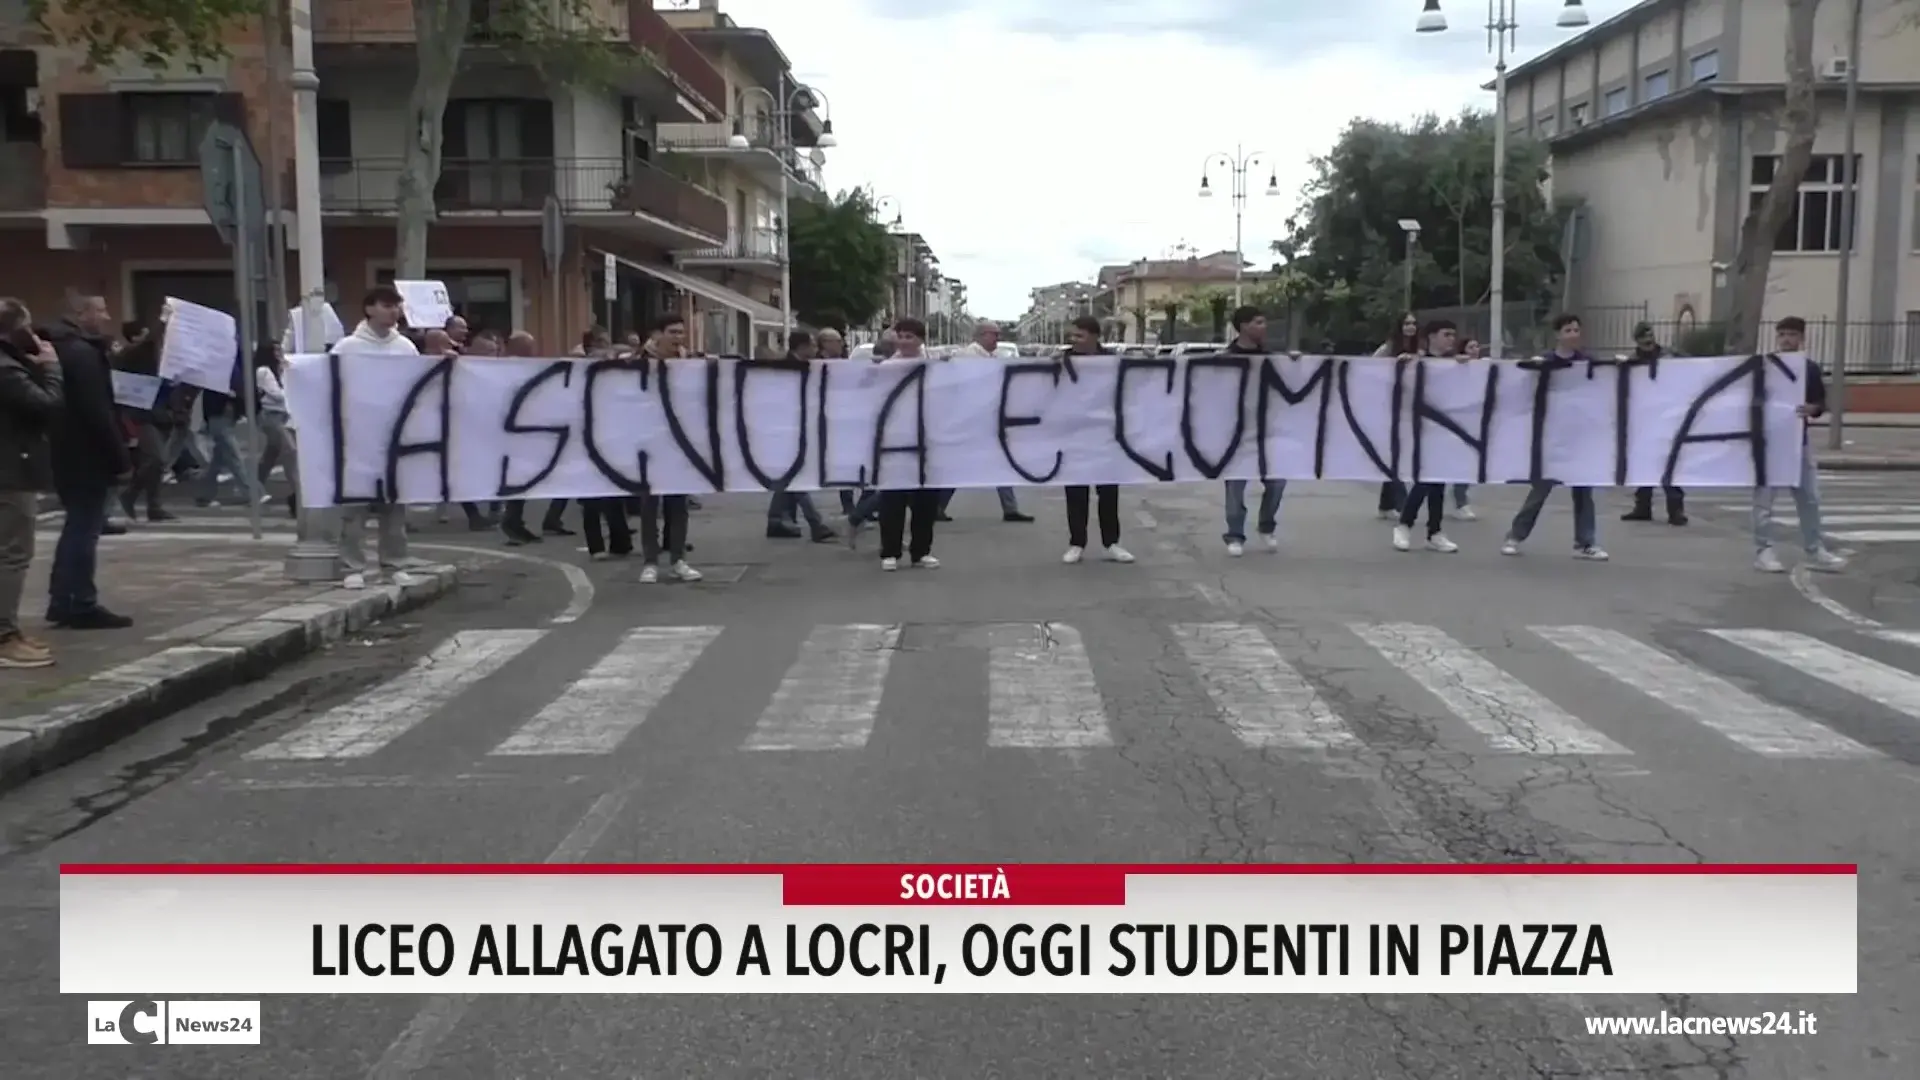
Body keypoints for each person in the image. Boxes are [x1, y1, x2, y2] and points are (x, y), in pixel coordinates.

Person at [41, 294, 133, 628]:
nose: (107, 317)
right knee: (84, 529)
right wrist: (120, 458)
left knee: (78, 526)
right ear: (81, 314)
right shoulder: (81, 354)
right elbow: (98, 413)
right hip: (85, 456)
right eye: (100, 311)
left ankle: (64, 598)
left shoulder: (61, 350)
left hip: (65, 452)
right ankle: (78, 602)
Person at [332, 285, 425, 589]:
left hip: (394, 440)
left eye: (396, 306)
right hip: (356, 440)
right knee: (354, 510)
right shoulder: (346, 348)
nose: (393, 311)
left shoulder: (406, 348)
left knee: (394, 508)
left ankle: (394, 564)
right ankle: (352, 567)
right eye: (386, 305)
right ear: (369, 309)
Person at [1501, 314, 1607, 561]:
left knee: (1583, 491)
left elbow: (1607, 382)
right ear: (1558, 335)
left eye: (1577, 330)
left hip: (1579, 436)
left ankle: (1585, 542)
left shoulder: (1587, 362)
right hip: (1552, 437)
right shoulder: (1545, 361)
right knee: (1540, 489)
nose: (1574, 335)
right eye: (1568, 330)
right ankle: (1515, 536)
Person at [1753, 317, 1846, 574]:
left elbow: (1820, 403)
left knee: (1810, 498)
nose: (1785, 339)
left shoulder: (1810, 369)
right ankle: (1763, 550)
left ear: (1801, 338)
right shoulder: (1764, 367)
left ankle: (1815, 550)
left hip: (1798, 442)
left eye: (1791, 334)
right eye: (1781, 334)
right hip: (1769, 442)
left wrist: (1813, 408)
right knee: (1764, 500)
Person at [0, 299, 63, 665]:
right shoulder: (7, 369)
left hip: (10, 467)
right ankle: (5, 637)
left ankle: (9, 629)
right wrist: (52, 369)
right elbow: (47, 405)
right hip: (11, 471)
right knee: (13, 555)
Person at [1059, 316, 1133, 565]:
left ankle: (1111, 543)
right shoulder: (1061, 361)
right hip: (1074, 434)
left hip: (1106, 435)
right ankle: (1076, 543)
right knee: (1076, 491)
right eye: (1073, 335)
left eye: (1079, 335)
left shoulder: (1112, 361)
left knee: (1108, 491)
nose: (1074, 340)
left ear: (1094, 336)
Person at [635, 314, 700, 583]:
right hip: (648, 442)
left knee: (678, 504)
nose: (678, 338)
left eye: (681, 333)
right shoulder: (639, 362)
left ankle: (678, 559)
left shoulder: (687, 364)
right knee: (650, 504)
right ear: (657, 334)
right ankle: (651, 561)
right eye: (672, 332)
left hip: (678, 443)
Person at [1391, 319, 1465, 554]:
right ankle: (1406, 524)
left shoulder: (1455, 364)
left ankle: (1434, 531)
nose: (1451, 339)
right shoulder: (1417, 360)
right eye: (1446, 334)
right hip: (1421, 428)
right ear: (1431, 336)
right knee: (1426, 478)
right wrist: (1403, 364)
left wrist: (1466, 366)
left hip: (1446, 429)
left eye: (1453, 335)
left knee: (1438, 481)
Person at [874, 318, 941, 572]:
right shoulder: (888, 368)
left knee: (926, 500)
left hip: (927, 439)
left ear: (921, 339)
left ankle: (921, 551)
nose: (904, 341)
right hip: (895, 440)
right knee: (893, 497)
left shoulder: (934, 366)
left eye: (909, 337)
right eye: (900, 336)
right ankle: (890, 551)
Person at [951, 321, 1033, 523]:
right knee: (959, 465)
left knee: (1000, 462)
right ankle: (938, 504)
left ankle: (1010, 508)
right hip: (971, 420)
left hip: (990, 419)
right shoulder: (966, 357)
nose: (997, 338)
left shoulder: (994, 358)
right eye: (993, 334)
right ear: (980, 335)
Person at [1220, 306, 1285, 556]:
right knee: (1235, 486)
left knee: (1277, 482)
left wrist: (1298, 364)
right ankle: (1235, 534)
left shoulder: (1271, 358)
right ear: (1244, 326)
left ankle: (1266, 525)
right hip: (1235, 434)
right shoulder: (1226, 359)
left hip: (1268, 431)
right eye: (1258, 322)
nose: (1264, 327)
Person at [497, 330, 573, 544]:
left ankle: (518, 521)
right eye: (529, 347)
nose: (533, 351)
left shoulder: (521, 368)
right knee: (521, 478)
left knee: (523, 478)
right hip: (517, 432)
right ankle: (513, 522)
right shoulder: (506, 369)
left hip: (527, 429)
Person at [765, 330, 836, 542]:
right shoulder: (786, 367)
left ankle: (775, 520)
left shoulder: (808, 366)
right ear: (802, 347)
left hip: (797, 427)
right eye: (812, 345)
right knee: (794, 477)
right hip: (786, 429)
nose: (816, 349)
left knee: (788, 478)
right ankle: (815, 523)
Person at [1620, 323, 1687, 526]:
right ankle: (1643, 506)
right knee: (1644, 462)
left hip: (1667, 416)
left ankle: (1676, 509)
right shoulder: (1633, 361)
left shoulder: (1669, 356)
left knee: (1670, 464)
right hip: (1645, 418)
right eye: (1643, 337)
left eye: (1649, 336)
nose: (1648, 341)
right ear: (1637, 341)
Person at [109, 320, 177, 523]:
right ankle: (131, 494)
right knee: (156, 459)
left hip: (160, 413)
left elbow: (163, 385)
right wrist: (162, 322)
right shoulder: (133, 354)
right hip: (140, 412)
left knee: (154, 461)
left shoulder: (161, 356)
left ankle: (153, 505)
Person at [1371, 313, 1421, 519]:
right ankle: (1403, 505)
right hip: (1390, 407)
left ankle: (1385, 504)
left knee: (1397, 455)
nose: (1411, 327)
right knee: (1395, 456)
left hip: (1412, 408)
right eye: (1407, 323)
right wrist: (1394, 364)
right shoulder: (1388, 349)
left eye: (1414, 323)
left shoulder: (1420, 348)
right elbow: (1370, 369)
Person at [252, 342, 299, 520]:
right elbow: (276, 394)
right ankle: (297, 493)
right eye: (276, 350)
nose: (280, 354)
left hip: (281, 415)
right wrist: (291, 391)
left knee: (271, 454)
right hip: (271, 415)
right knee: (290, 450)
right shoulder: (264, 371)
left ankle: (254, 486)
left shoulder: (278, 369)